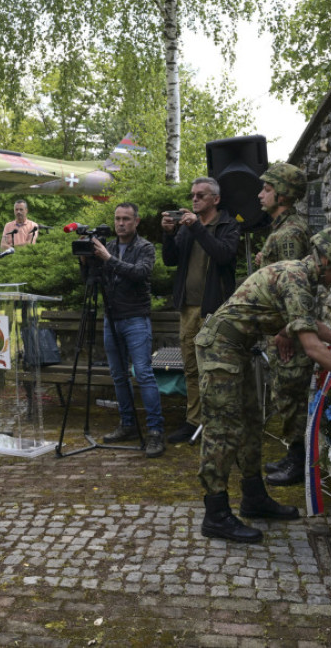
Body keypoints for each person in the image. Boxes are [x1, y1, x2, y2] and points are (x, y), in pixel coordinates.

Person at [197, 226, 331, 543]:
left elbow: (311, 324)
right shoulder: (298, 279)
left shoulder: (299, 276)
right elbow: (312, 346)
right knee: (223, 429)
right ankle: (216, 514)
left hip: (237, 349)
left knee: (250, 423)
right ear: (330, 260)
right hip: (221, 349)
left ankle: (253, 497)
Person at [161, 177, 240, 443]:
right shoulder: (187, 226)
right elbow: (170, 260)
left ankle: (217, 423)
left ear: (215, 200)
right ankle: (193, 421)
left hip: (214, 309)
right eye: (192, 195)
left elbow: (223, 255)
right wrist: (169, 234)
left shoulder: (228, 225)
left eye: (200, 196)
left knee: (214, 369)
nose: (194, 199)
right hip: (188, 307)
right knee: (191, 368)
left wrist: (197, 229)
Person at [251, 163, 314, 487]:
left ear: (283, 194)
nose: (261, 194)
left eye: (266, 189)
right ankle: (294, 454)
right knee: (285, 394)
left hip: (287, 331)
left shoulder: (289, 234)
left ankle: (299, 461)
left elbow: (294, 287)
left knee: (291, 395)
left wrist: (285, 332)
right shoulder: (280, 228)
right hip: (280, 328)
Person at [90, 203, 165, 458]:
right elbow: (92, 279)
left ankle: (155, 432)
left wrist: (108, 260)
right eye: (117, 218)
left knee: (143, 374)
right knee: (118, 375)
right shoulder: (107, 246)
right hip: (111, 318)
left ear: (136, 222)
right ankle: (128, 424)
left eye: (126, 219)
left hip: (135, 318)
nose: (120, 223)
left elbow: (140, 273)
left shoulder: (145, 247)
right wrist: (85, 261)